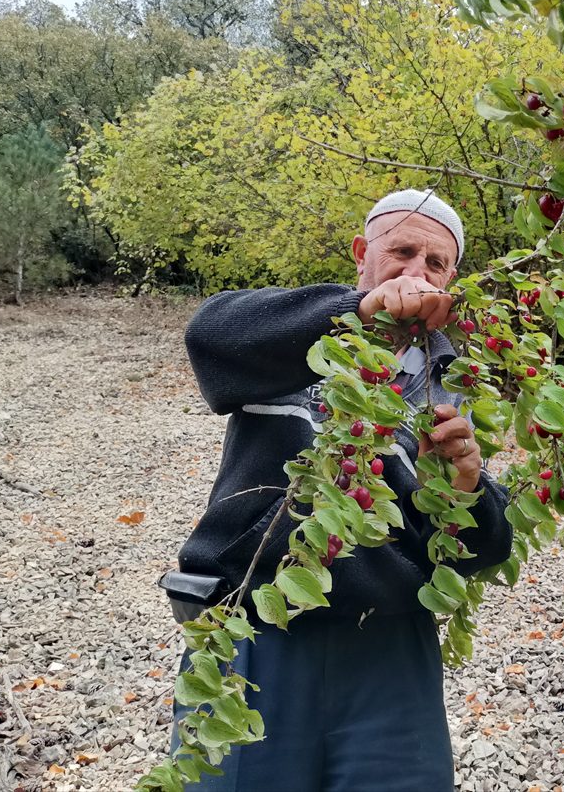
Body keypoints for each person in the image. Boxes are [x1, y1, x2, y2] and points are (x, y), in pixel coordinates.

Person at [167, 189, 514, 791]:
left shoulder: (455, 384)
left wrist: (466, 489)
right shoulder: (294, 337)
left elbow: (480, 551)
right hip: (253, 631)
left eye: (435, 262)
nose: (416, 272)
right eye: (401, 252)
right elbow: (209, 334)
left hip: (390, 649)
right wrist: (358, 312)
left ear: (451, 278)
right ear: (361, 253)